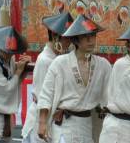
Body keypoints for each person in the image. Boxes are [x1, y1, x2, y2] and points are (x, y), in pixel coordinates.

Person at [37, 14, 112, 143]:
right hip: (65, 124)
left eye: (93, 36)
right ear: (76, 40)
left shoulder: (103, 65)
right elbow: (46, 95)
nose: (91, 41)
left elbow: (110, 93)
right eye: (86, 37)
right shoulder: (60, 62)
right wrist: (42, 123)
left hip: (86, 124)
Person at [21, 12, 72, 143]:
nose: (69, 42)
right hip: (42, 118)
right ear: (55, 36)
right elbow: (42, 96)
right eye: (66, 38)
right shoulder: (45, 60)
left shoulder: (57, 58)